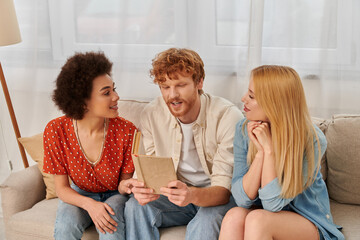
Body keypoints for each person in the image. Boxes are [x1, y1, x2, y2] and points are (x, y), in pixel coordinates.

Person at [124, 48, 244, 240]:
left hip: (218, 197)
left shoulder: (227, 116)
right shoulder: (152, 114)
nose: (172, 95)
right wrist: (142, 190)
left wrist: (191, 195)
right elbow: (153, 168)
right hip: (176, 196)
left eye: (180, 85)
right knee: (135, 206)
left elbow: (224, 190)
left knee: (206, 220)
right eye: (165, 87)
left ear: (199, 82)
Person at [219, 65, 344, 240]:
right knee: (233, 216)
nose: (243, 99)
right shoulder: (243, 129)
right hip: (264, 215)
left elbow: (272, 205)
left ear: (274, 103)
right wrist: (260, 154)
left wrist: (269, 150)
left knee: (258, 219)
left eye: (252, 96)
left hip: (306, 219)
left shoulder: (312, 139)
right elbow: (241, 199)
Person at [43, 52, 137, 240]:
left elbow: (122, 186)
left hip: (115, 194)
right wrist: (90, 205)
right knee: (65, 226)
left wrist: (129, 186)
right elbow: (62, 188)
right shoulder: (56, 130)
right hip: (78, 193)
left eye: (114, 89)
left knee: (109, 227)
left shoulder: (127, 130)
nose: (116, 97)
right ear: (82, 100)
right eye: (106, 92)